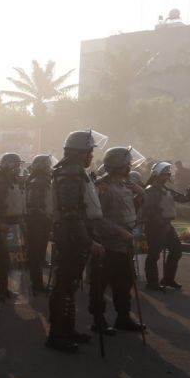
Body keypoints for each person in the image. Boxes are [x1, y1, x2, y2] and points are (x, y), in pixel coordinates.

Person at [46, 130, 103, 353]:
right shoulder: (70, 173)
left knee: (70, 286)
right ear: (80, 152)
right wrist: (87, 242)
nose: (91, 155)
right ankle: (57, 335)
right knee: (64, 287)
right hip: (71, 238)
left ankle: (67, 330)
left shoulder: (75, 171)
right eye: (89, 151)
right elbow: (71, 213)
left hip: (76, 236)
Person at [88, 147, 147, 335]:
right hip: (108, 244)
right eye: (126, 164)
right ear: (118, 165)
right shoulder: (102, 187)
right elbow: (96, 218)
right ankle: (99, 320)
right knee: (100, 284)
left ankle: (123, 317)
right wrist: (119, 231)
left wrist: (141, 193)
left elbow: (131, 208)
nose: (129, 166)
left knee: (125, 282)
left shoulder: (124, 184)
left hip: (124, 244)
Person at [141, 162, 190, 290]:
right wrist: (160, 223)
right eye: (165, 174)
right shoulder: (151, 190)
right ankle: (152, 283)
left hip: (166, 224)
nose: (167, 177)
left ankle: (168, 279)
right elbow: (149, 210)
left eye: (168, 174)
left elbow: (182, 199)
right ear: (157, 175)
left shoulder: (165, 189)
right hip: (155, 226)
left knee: (176, 251)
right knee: (154, 254)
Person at [0, 152, 25, 299]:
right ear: (8, 165)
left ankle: (3, 289)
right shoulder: (0, 182)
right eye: (16, 164)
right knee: (1, 260)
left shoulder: (13, 180)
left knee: (9, 261)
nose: (18, 168)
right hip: (2, 226)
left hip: (13, 226)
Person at [24, 154, 54, 293]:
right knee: (35, 254)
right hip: (37, 222)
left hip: (43, 221)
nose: (50, 168)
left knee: (40, 254)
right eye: (48, 165)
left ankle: (37, 282)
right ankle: (36, 284)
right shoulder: (37, 182)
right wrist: (46, 216)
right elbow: (33, 206)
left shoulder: (45, 180)